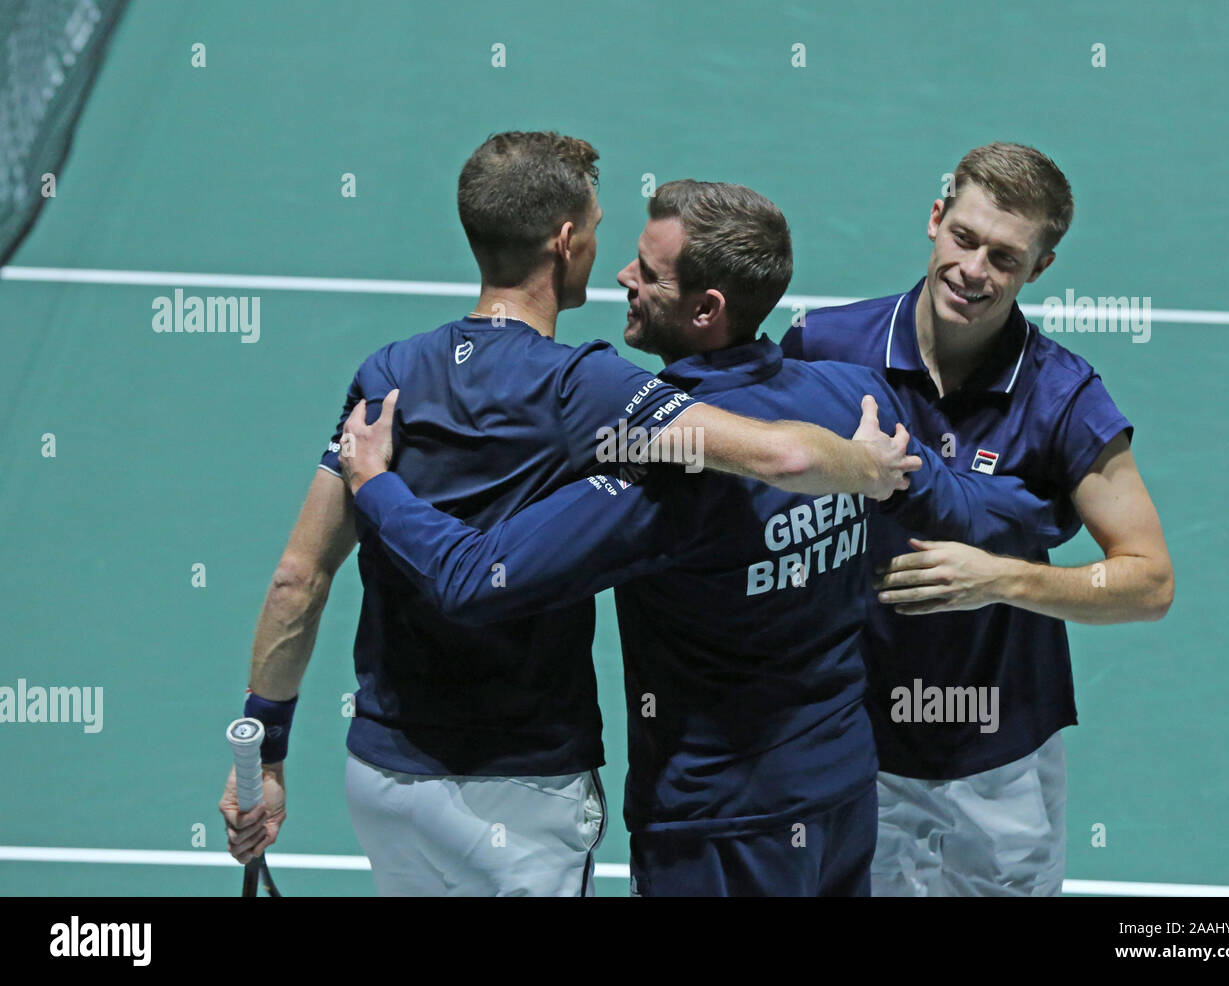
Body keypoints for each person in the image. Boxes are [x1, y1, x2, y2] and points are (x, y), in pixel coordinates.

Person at [217, 133, 922, 897]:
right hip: (523, 787)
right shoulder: (588, 389)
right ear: (563, 242)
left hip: (385, 777)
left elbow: (298, 578)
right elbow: (775, 456)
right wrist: (869, 468)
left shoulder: (386, 378)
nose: (613, 261)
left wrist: (266, 753)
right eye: (594, 228)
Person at [335, 180, 1065, 896]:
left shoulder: (666, 473)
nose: (624, 274)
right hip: (842, 794)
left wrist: (377, 487)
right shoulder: (852, 400)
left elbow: (475, 578)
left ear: (705, 310)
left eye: (649, 274)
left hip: (718, 825)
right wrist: (1053, 512)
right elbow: (964, 505)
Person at [780, 142, 1175, 896]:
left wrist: (1001, 579)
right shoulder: (825, 347)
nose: (974, 271)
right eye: (963, 238)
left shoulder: (1063, 398)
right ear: (935, 220)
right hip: (848, 735)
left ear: (1039, 270)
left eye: (1004, 257)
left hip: (1001, 758)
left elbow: (1149, 580)